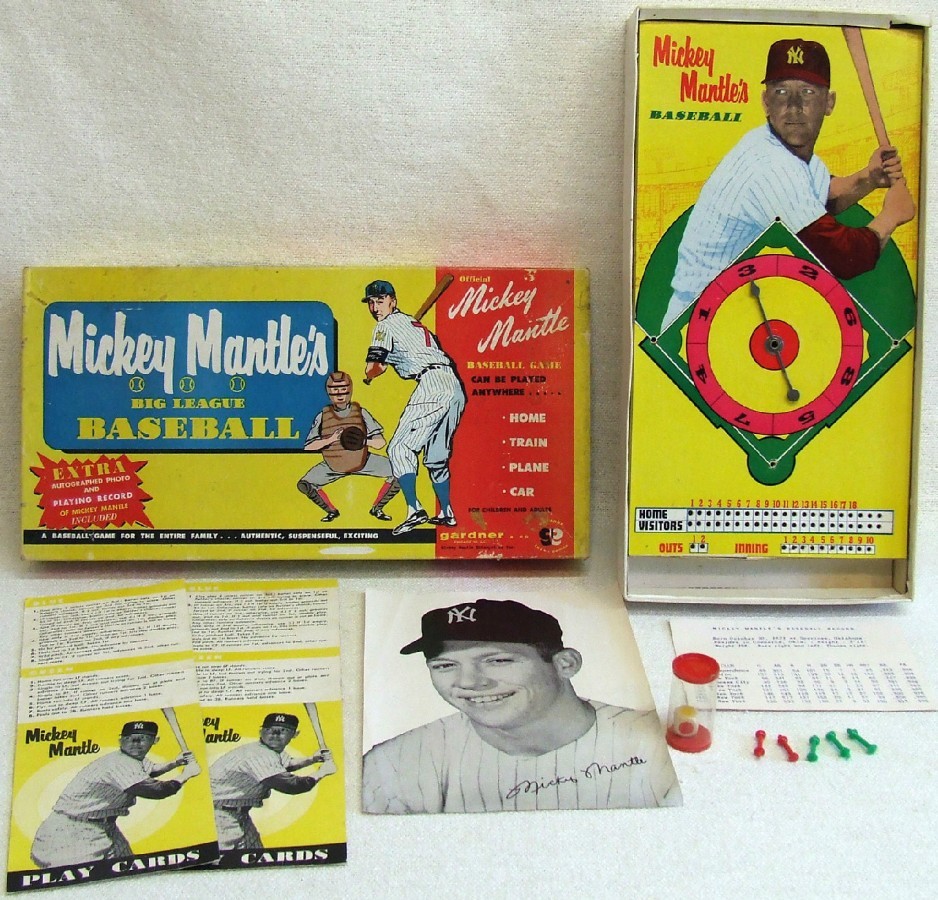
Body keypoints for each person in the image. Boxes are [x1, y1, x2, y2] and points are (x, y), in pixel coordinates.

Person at [662, 37, 915, 330]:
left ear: (829, 103)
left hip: (730, 313)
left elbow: (822, 197)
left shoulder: (782, 149)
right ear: (766, 102)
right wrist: (891, 216)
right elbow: (845, 256)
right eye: (782, 92)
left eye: (807, 92)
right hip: (693, 325)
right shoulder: (769, 165)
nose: (794, 107)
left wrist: (868, 178)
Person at [362, 598, 680, 813]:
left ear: (565, 664)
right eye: (445, 666)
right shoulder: (392, 764)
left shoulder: (655, 745)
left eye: (498, 660)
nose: (469, 682)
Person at [361, 279, 466, 536]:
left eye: (381, 301)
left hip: (432, 384)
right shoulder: (411, 322)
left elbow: (373, 367)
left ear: (393, 302)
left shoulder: (384, 326)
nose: (375, 307)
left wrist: (373, 373)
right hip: (453, 385)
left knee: (399, 448)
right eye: (371, 302)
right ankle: (446, 512)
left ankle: (414, 510)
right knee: (436, 457)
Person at [30, 720, 201, 867]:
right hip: (72, 831)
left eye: (143, 738)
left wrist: (175, 763)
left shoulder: (133, 759)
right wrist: (186, 775)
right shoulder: (119, 763)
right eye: (130, 738)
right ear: (120, 740)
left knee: (129, 870)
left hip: (104, 826)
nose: (136, 743)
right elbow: (156, 791)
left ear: (154, 741)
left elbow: (151, 770)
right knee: (85, 883)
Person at [209, 712, 337, 851]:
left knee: (256, 856)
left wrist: (312, 759)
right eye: (270, 729)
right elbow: (292, 786)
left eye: (283, 730)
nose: (275, 734)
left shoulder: (269, 750)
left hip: (237, 814)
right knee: (225, 860)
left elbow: (287, 764)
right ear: (261, 731)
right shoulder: (258, 754)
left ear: (294, 734)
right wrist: (322, 772)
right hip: (220, 816)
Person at [297, 370, 400, 522]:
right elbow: (309, 446)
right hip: (333, 465)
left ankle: (377, 508)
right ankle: (331, 511)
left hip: (363, 461)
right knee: (304, 484)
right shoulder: (323, 416)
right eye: (335, 390)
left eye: (343, 389)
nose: (340, 395)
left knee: (402, 472)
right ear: (329, 392)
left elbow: (380, 442)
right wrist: (330, 439)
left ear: (349, 390)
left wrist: (363, 442)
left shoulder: (361, 412)